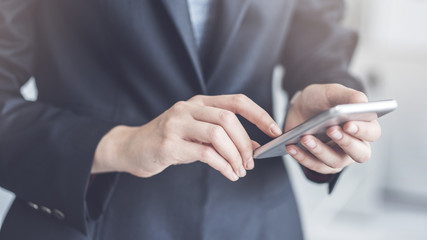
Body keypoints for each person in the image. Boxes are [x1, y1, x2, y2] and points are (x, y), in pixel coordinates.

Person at [0, 0, 381, 239]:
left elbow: (321, 47)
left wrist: (325, 116)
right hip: (92, 220)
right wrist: (120, 144)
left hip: (256, 219)